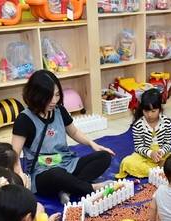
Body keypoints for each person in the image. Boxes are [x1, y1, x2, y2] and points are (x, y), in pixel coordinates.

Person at [11, 70, 115, 205]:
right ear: (36, 95)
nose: (54, 101)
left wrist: (92, 144)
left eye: (57, 95)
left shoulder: (59, 110)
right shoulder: (24, 119)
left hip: (67, 163)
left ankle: (67, 189)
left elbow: (74, 132)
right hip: (43, 171)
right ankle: (91, 188)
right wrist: (19, 174)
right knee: (57, 174)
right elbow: (14, 154)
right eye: (49, 96)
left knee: (104, 157)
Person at [116, 88, 171, 179]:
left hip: (162, 156)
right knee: (126, 162)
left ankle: (159, 169)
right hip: (144, 157)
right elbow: (139, 147)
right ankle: (158, 171)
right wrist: (150, 153)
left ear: (160, 109)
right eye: (146, 111)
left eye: (153, 111)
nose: (149, 115)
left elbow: (168, 143)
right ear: (142, 109)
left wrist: (161, 152)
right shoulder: (138, 125)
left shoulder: (167, 122)